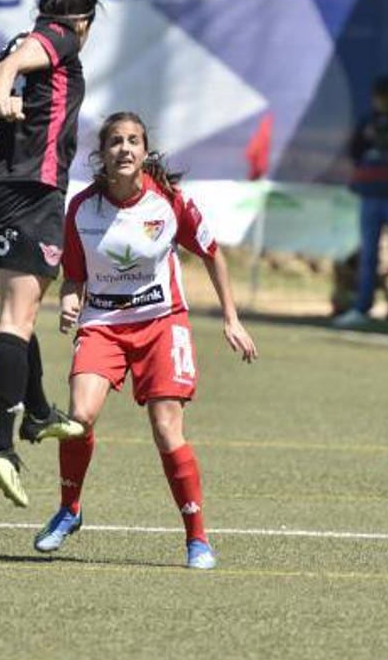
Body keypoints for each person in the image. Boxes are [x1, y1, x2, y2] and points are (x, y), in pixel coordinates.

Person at [0, 0, 141, 508]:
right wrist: (13, 89)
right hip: (30, 192)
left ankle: (36, 412)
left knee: (23, 309)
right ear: (81, 22)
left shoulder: (1, 50)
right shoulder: (55, 40)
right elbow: (20, 68)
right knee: (15, 318)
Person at [31, 112, 258, 570]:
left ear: (145, 151)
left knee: (166, 429)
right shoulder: (82, 209)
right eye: (115, 141)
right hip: (103, 325)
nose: (124, 149)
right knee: (79, 416)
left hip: (162, 322)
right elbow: (73, 278)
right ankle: (69, 510)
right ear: (103, 153)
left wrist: (231, 319)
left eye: (133, 140)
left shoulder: (170, 201)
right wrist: (70, 301)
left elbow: (213, 255)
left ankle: (197, 539)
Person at [333, 76, 388, 329]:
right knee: (368, 254)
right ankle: (362, 308)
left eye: (385, 97)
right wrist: (371, 138)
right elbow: (355, 151)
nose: (381, 103)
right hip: (370, 195)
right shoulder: (367, 120)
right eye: (378, 98)